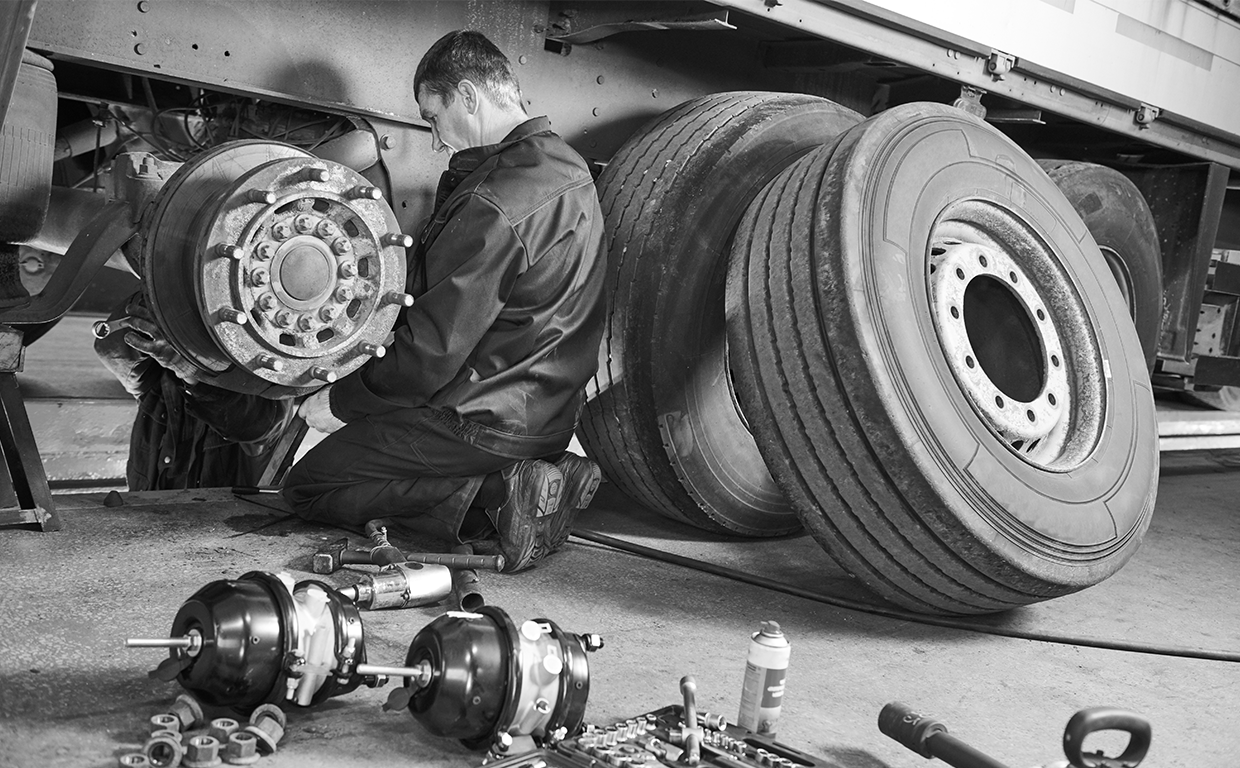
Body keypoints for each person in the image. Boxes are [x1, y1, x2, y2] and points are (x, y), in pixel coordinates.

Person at [280, 30, 607, 572]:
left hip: (483, 420)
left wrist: (338, 404)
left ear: (469, 97)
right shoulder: (567, 168)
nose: (435, 139)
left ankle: (496, 498)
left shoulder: (493, 200)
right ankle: (535, 477)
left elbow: (430, 356)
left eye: (433, 117)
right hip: (546, 415)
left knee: (309, 486)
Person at [94, 292, 294, 490]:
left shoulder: (268, 388)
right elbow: (110, 348)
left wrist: (190, 368)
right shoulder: (158, 380)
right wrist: (151, 295)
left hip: (225, 520)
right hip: (148, 515)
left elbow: (255, 424)